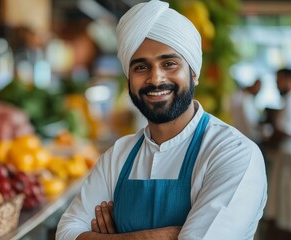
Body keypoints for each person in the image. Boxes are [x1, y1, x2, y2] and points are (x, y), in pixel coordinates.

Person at [55, 1, 268, 239]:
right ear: (128, 79)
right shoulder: (119, 155)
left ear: (194, 73)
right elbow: (66, 233)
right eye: (141, 67)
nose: (155, 79)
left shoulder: (232, 152)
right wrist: (164, 235)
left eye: (169, 64)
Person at [230, 78, 264, 144]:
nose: (258, 89)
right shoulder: (242, 98)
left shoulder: (249, 99)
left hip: (244, 136)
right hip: (242, 135)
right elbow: (248, 123)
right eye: (258, 86)